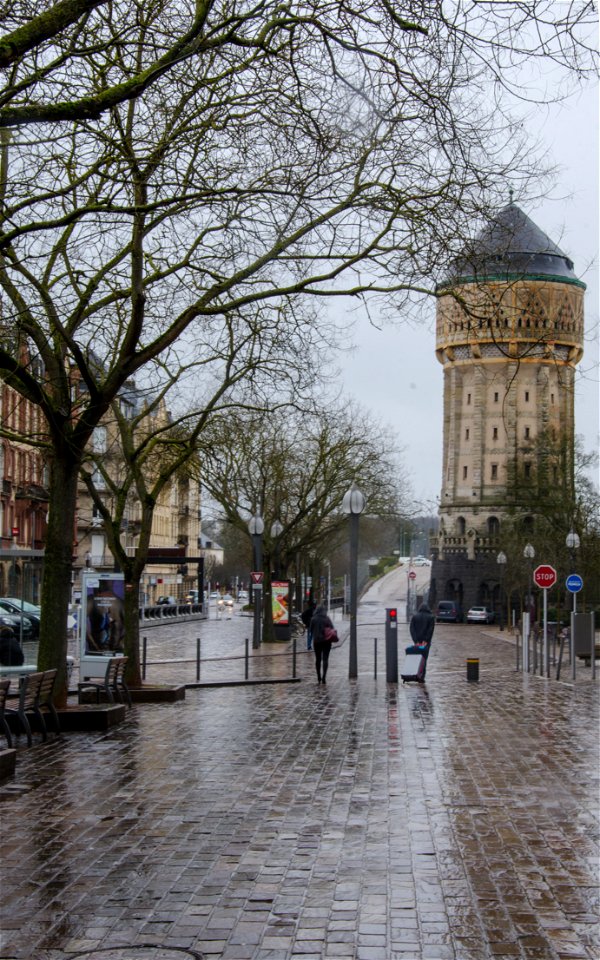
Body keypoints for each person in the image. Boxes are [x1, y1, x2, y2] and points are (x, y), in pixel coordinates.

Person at [409, 602, 435, 679]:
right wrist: (426, 640)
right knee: (424, 658)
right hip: (425, 642)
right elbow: (430, 630)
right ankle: (422, 675)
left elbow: (411, 629)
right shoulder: (431, 617)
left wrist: (416, 641)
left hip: (417, 642)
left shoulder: (415, 616)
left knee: (417, 657)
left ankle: (416, 674)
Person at [310, 604, 335, 684]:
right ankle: (324, 676)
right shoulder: (327, 619)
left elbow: (310, 630)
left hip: (317, 641)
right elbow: (332, 628)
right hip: (327, 641)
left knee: (318, 659)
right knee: (325, 659)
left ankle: (318, 677)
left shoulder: (313, 619)